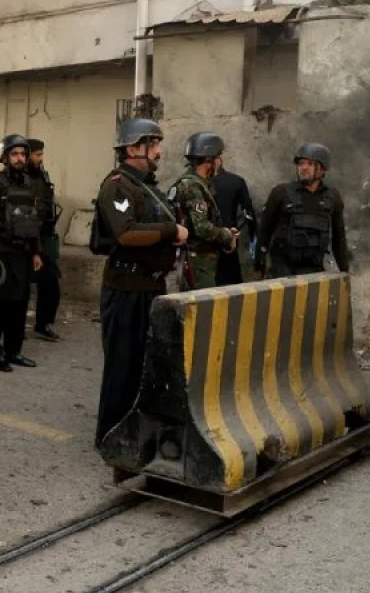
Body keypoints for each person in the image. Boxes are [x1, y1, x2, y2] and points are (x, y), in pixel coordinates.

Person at [94, 118, 189, 447]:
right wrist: (170, 231)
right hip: (126, 290)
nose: (159, 152)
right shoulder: (118, 185)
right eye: (154, 145)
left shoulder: (147, 186)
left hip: (151, 287)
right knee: (122, 365)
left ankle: (136, 431)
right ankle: (110, 436)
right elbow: (127, 233)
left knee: (145, 364)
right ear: (134, 148)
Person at [0, 134, 43, 372]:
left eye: (23, 154)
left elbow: (35, 222)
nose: (20, 158)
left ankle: (14, 351)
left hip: (22, 255)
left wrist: (37, 252)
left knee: (19, 305)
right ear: (5, 157)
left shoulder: (30, 184)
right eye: (14, 154)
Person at [256, 143, 350, 278]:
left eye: (310, 164)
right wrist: (258, 265)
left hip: (314, 272)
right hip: (282, 272)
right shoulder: (281, 193)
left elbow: (339, 238)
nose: (304, 168)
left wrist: (344, 272)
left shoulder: (332, 197)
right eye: (301, 163)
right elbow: (264, 231)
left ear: (323, 169)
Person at [166, 132, 238, 289]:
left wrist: (225, 231)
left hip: (203, 260)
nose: (220, 161)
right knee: (202, 308)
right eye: (218, 157)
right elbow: (202, 228)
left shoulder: (201, 184)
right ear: (208, 159)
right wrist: (226, 236)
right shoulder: (192, 186)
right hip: (197, 261)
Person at [27, 138, 62, 341]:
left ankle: (43, 324)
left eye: (41, 154)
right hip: (27, 238)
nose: (40, 159)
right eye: (36, 154)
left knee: (50, 284)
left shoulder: (42, 175)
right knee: (20, 288)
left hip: (46, 237)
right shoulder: (20, 179)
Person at [212, 159, 255, 286]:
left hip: (210, 246)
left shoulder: (191, 183)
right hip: (227, 244)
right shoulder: (235, 181)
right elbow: (250, 215)